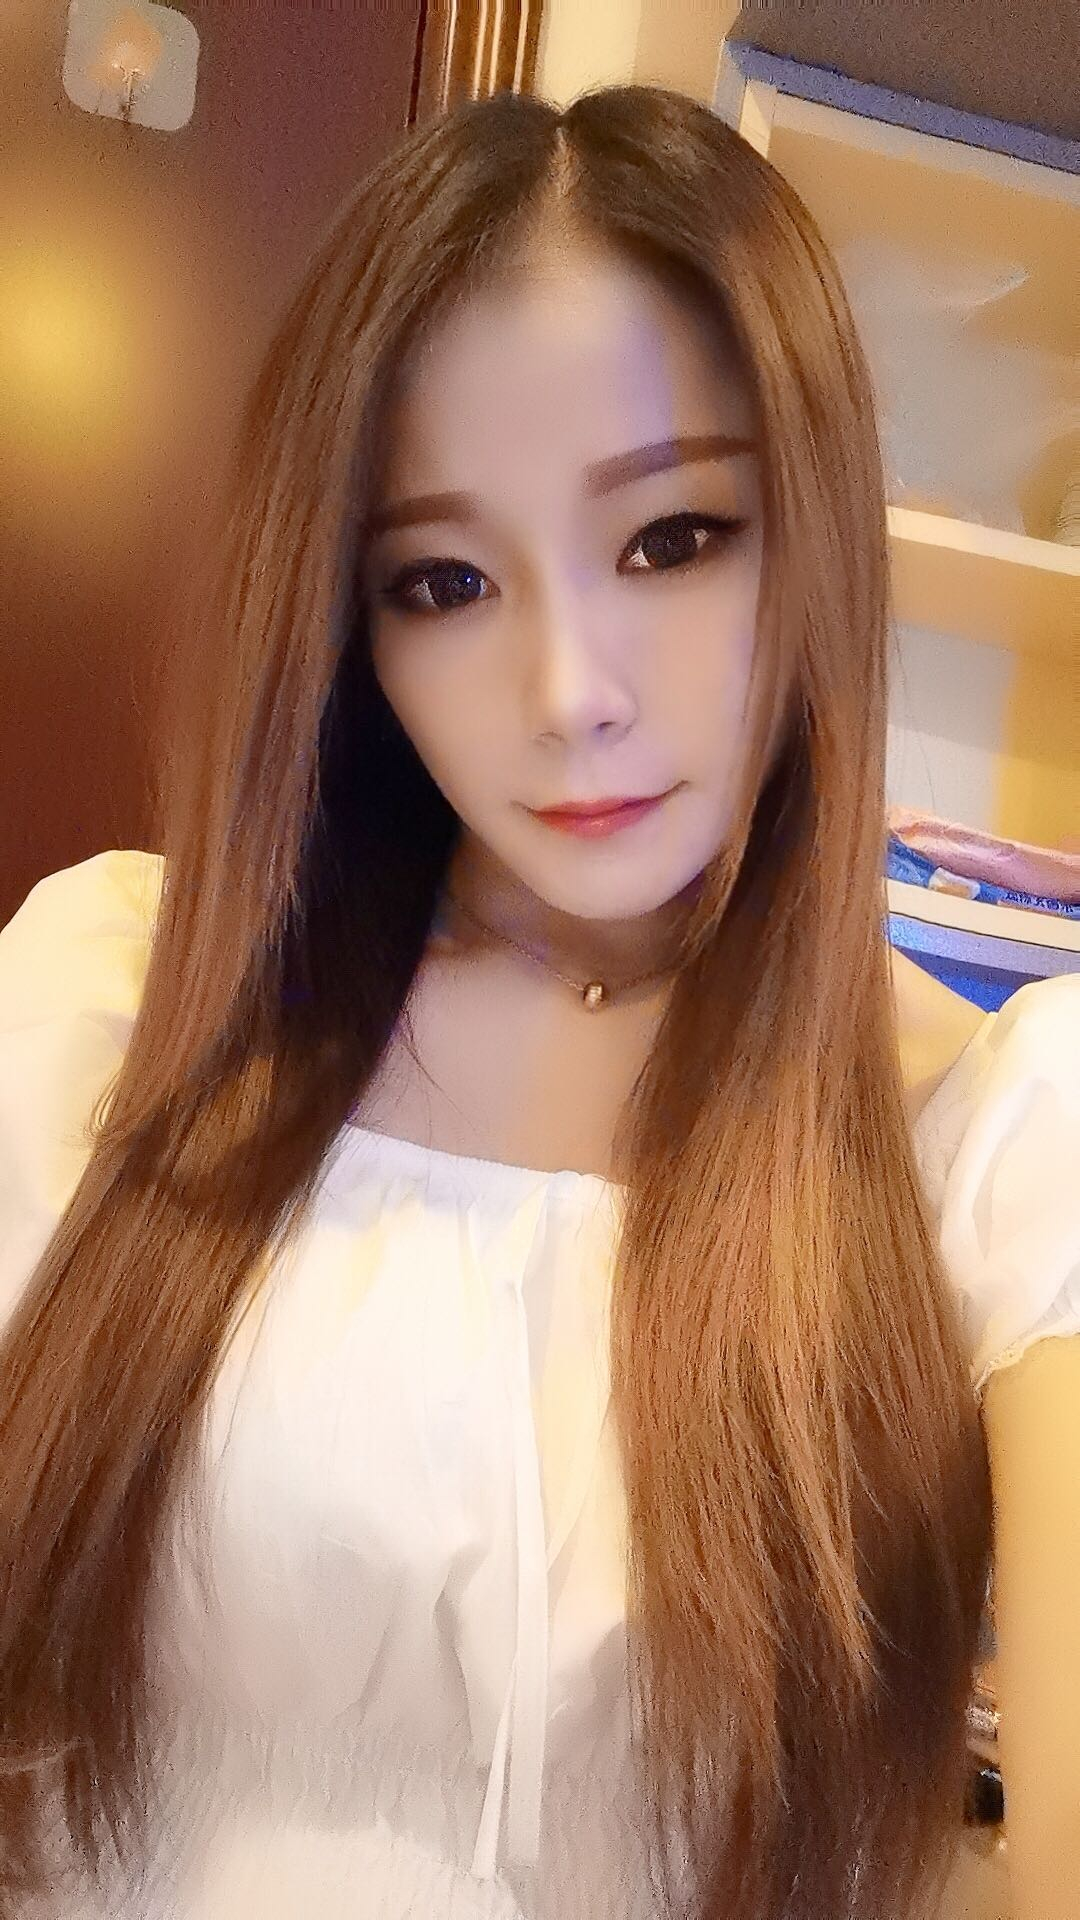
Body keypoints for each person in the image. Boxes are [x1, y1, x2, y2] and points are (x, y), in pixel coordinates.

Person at [0, 82, 1077, 1920]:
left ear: (814, 526)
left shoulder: (988, 1137)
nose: (569, 690)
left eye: (672, 538)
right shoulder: (117, 1002)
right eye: (444, 580)